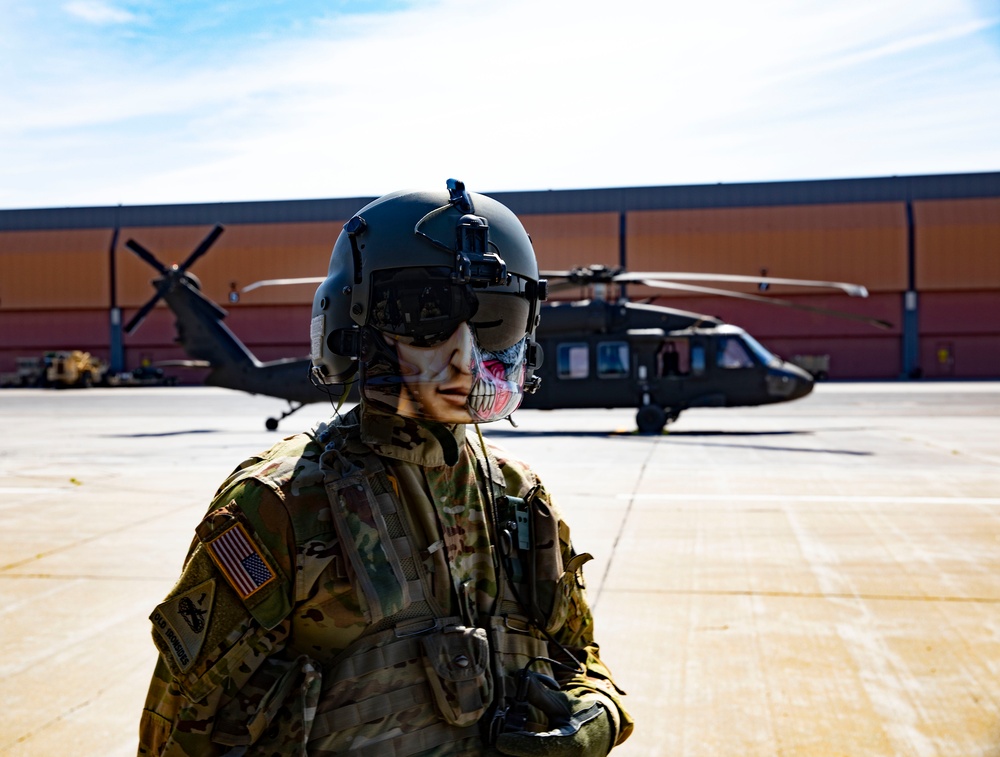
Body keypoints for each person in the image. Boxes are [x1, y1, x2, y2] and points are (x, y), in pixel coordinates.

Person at [138, 180, 634, 756]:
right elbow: (180, 724)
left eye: (495, 319)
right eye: (424, 316)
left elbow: (580, 658)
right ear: (352, 323)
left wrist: (595, 719)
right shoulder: (281, 504)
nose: (462, 354)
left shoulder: (519, 495)